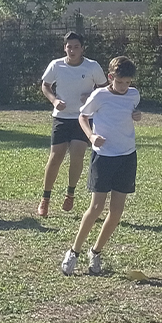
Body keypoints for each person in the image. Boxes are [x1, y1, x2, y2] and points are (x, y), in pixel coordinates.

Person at [61, 56, 141, 275]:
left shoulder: (133, 95)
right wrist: (91, 136)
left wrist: (137, 115)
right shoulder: (99, 95)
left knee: (116, 212)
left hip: (127, 156)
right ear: (110, 77)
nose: (124, 86)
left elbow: (130, 113)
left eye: (128, 82)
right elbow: (83, 117)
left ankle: (95, 252)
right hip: (104, 157)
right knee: (96, 208)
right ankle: (73, 252)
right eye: (120, 82)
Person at [38, 32, 108, 217]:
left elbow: (105, 87)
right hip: (61, 118)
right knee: (56, 157)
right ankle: (45, 198)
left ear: (82, 48)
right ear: (64, 48)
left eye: (76, 47)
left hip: (83, 118)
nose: (72, 50)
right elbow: (45, 85)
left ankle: (70, 194)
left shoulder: (92, 66)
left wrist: (91, 96)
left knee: (77, 155)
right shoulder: (56, 65)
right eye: (69, 47)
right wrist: (54, 101)